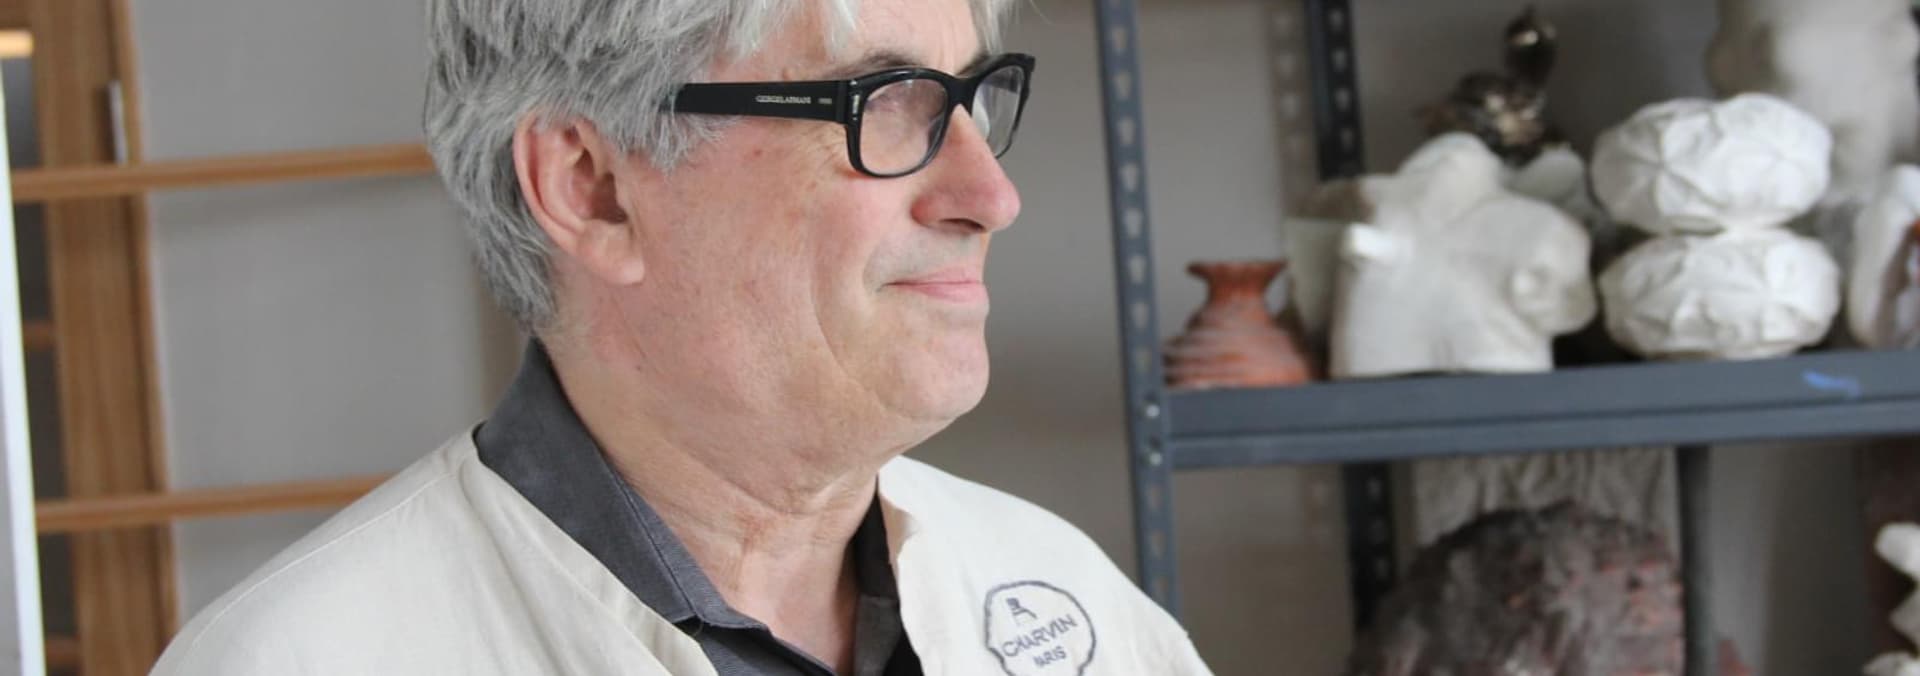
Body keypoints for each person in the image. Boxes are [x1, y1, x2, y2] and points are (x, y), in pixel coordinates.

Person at [152, 0, 1213, 673]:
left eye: (974, 98)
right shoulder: (296, 658)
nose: (992, 196)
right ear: (594, 189)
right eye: (888, 102)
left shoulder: (1060, 595)